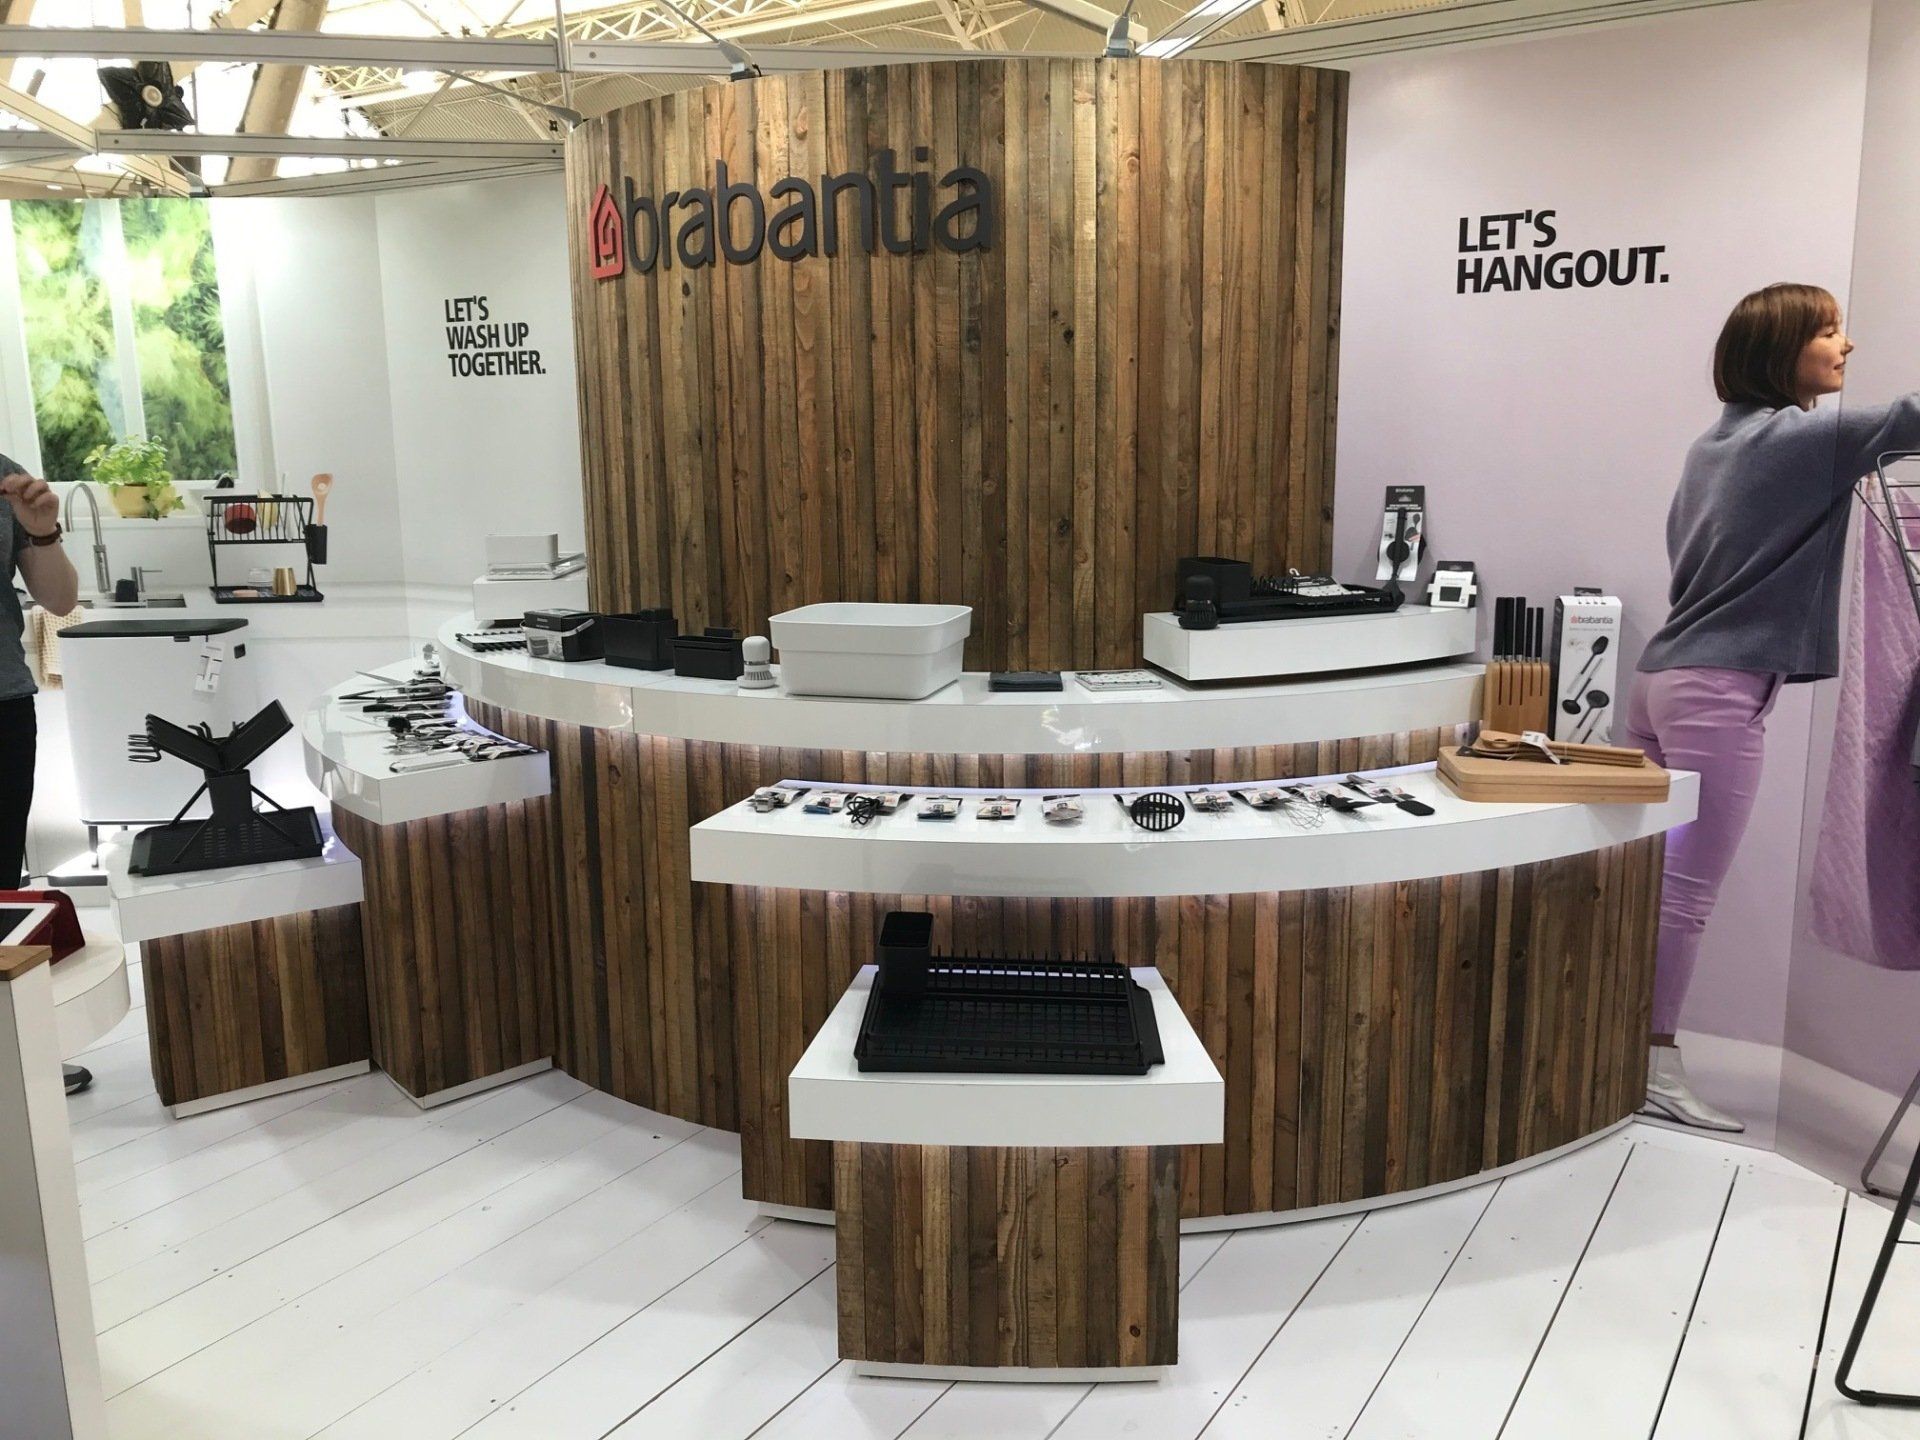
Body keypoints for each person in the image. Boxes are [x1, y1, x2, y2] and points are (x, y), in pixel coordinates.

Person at [1628, 282, 1920, 1130]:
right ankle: (1654, 1063)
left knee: (1649, 885)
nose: (1846, 345)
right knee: (1682, 895)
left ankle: (1625, 1051)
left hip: (1663, 682)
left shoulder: (1710, 448)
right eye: (1828, 331)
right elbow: (1910, 416)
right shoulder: (1801, 442)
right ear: (1781, 348)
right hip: (1717, 691)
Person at [1, 455, 89, 1095]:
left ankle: (15, 1052)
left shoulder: (3, 473)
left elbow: (58, 599)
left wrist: (42, 530)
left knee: (1, 886)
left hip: (2, 703)